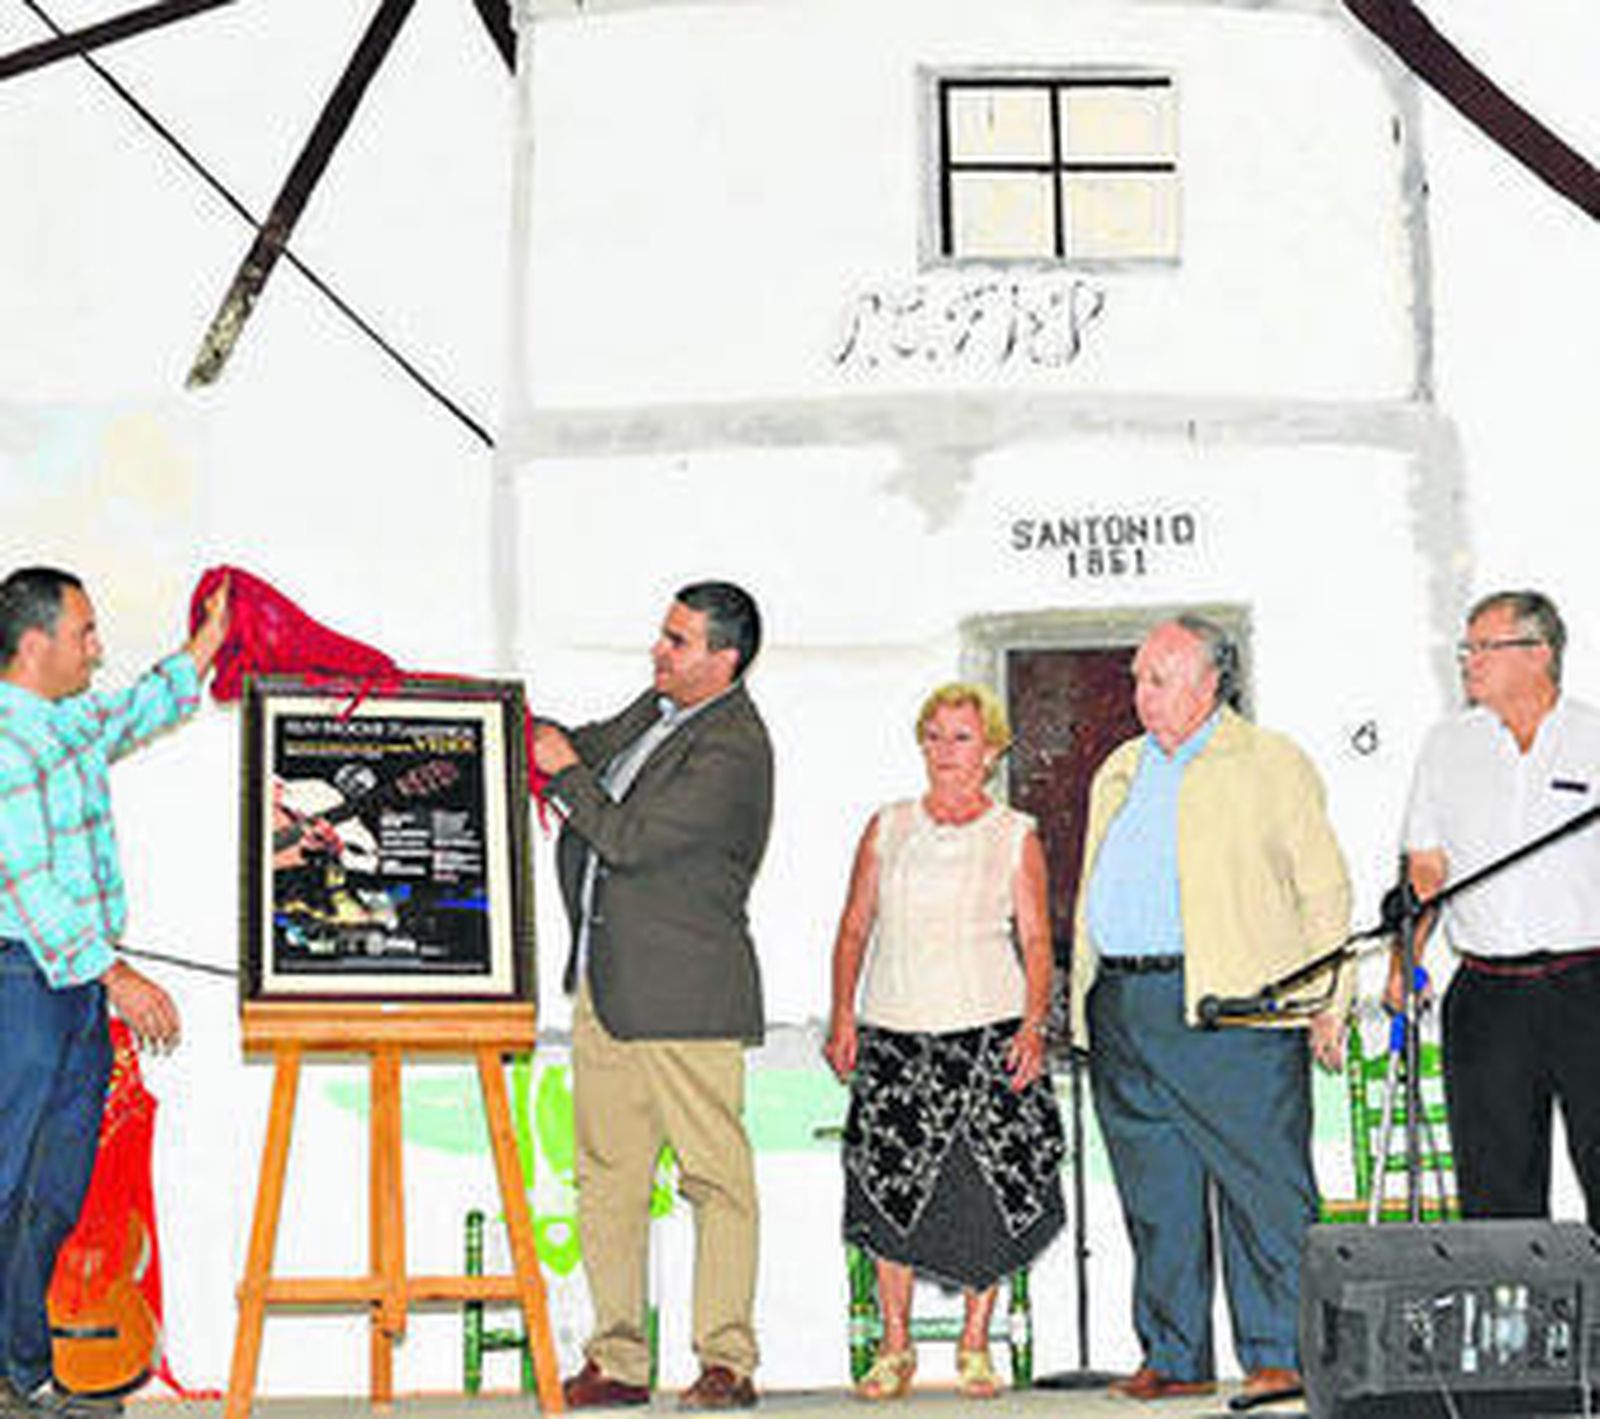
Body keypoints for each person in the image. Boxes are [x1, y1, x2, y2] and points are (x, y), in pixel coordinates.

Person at [1071, 615, 1350, 1403]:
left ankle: (1282, 1352)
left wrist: (1328, 999)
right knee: (1155, 1194)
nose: (1138, 694)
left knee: (1264, 1189)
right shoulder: (1119, 768)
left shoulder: (1270, 761)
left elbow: (1322, 886)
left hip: (1233, 1005)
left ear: (1208, 682)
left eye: (1155, 679)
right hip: (1126, 999)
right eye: (1135, 678)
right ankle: (1175, 1352)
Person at [532, 581, 772, 1412]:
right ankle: (620, 1359)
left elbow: (627, 839)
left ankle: (727, 1361)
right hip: (608, 982)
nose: (658, 651)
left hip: (686, 994)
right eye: (663, 636)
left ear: (723, 659)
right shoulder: (658, 709)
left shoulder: (735, 746)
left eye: (677, 642)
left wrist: (562, 773)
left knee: (715, 1178)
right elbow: (580, 744)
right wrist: (512, 725)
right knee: (607, 1178)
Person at [0, 566, 228, 1419]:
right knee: (6, 1184)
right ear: (35, 645)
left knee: (53, 1190)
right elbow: (25, 879)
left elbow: (137, 705)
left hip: (71, 986)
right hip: (20, 980)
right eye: (85, 634)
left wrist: (206, 641)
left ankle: (19, 1376)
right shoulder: (5, 743)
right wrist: (117, 973)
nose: (97, 650)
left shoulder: (62, 722)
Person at [824, 683, 1063, 1402]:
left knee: (987, 1185)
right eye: (933, 735)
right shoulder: (888, 826)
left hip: (986, 1029)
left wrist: (1032, 1020)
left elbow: (1037, 937)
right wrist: (842, 1014)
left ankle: (974, 1342)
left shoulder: (1014, 832)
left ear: (990, 751)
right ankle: (894, 1347)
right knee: (887, 1185)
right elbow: (854, 926)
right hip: (893, 1032)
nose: (945, 751)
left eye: (960, 737)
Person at [1394, 590, 1600, 1225]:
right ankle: (1514, 1324)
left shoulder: (1593, 737)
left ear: (1539, 654)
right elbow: (1426, 868)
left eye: (1485, 646)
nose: (1469, 660)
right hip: (1487, 994)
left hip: (1588, 986)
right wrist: (1407, 961)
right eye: (1467, 647)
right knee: (1495, 1192)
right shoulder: (1447, 747)